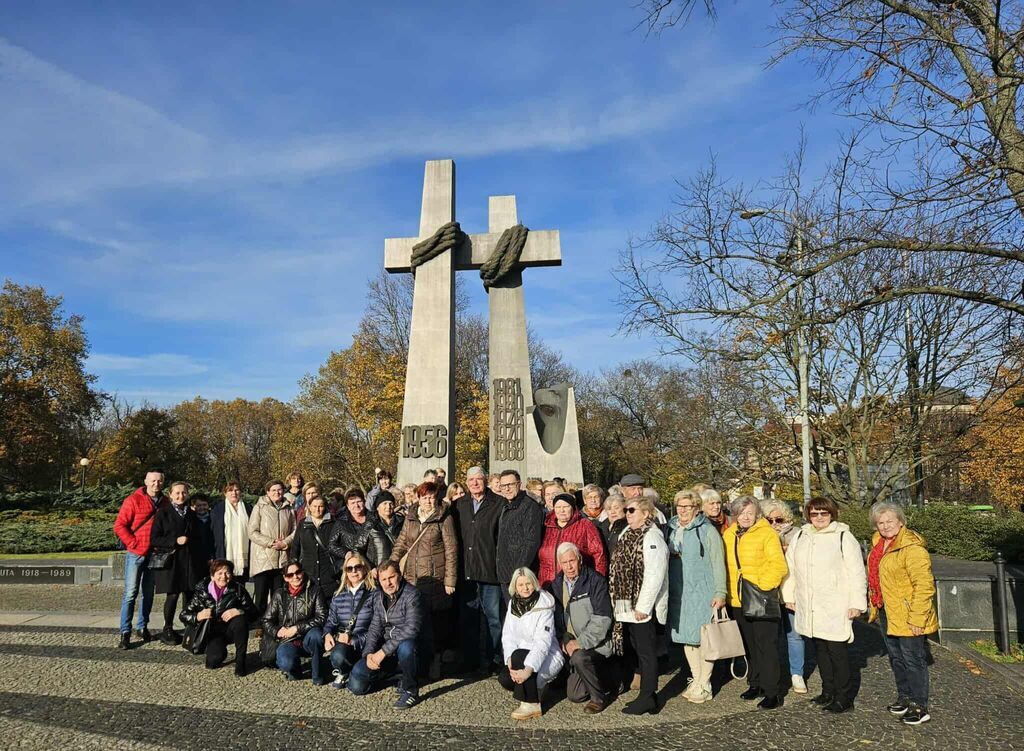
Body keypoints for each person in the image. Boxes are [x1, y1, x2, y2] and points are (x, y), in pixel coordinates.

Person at [781, 496, 866, 714]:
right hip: (809, 603)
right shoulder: (801, 535)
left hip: (835, 603)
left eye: (824, 513)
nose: (819, 517)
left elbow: (857, 572)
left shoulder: (843, 537)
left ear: (832, 514)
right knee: (820, 650)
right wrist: (789, 596)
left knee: (837, 651)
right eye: (814, 513)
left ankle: (843, 696)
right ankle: (827, 690)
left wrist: (857, 603)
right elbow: (790, 568)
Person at [867, 501, 937, 726]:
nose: (885, 526)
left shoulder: (912, 548)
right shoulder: (879, 545)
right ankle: (905, 696)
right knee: (897, 657)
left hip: (908, 612)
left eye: (890, 521)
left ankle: (919, 705)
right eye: (881, 522)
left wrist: (918, 618)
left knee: (913, 659)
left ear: (900, 521)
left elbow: (924, 585)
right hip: (887, 609)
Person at [722, 495, 789, 710]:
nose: (745, 517)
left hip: (760, 597)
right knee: (749, 646)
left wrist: (761, 585)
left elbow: (778, 566)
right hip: (738, 599)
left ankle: (773, 691)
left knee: (766, 646)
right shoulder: (729, 534)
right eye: (741, 513)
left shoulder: (767, 533)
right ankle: (756, 682)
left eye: (750, 513)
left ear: (757, 514)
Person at [389, 481, 458, 679]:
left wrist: (450, 580)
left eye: (431, 497)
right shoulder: (411, 516)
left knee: (435, 622)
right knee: (415, 619)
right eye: (425, 497)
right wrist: (392, 564)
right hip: (412, 576)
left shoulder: (443, 517)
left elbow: (452, 550)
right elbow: (402, 542)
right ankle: (417, 663)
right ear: (418, 498)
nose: (429, 500)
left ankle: (435, 660)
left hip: (435, 577)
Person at [666, 489, 727, 704]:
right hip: (680, 593)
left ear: (696, 508)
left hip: (703, 591)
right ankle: (696, 678)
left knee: (704, 638)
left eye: (687, 507)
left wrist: (720, 592)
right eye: (679, 506)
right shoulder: (670, 529)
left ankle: (705, 682)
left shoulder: (708, 531)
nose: (683, 510)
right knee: (687, 638)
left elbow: (718, 562)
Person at [609, 495, 668, 715]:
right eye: (626, 510)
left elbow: (655, 575)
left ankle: (648, 696)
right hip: (626, 605)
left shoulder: (652, 536)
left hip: (642, 607)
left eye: (632, 510)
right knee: (637, 649)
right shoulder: (628, 532)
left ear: (646, 513)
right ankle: (645, 694)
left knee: (647, 652)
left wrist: (643, 607)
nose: (627, 514)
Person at [349, 560, 428, 709]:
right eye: (383, 579)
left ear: (399, 575)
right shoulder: (379, 596)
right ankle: (397, 676)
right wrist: (369, 654)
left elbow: (411, 629)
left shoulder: (413, 595)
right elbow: (374, 628)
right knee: (356, 686)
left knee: (407, 645)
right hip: (387, 651)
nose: (388, 583)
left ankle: (411, 690)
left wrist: (382, 652)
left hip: (410, 651)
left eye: (391, 577)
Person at [547, 543, 614, 713]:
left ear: (580, 560)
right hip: (571, 641)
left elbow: (603, 619)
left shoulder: (595, 581)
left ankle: (598, 698)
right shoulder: (556, 585)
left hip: (596, 645)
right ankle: (604, 680)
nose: (569, 566)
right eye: (564, 562)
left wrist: (580, 642)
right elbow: (556, 619)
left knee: (579, 658)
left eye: (572, 561)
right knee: (575, 695)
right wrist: (563, 638)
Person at [453, 466, 504, 675]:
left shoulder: (498, 504)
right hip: (466, 570)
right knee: (468, 618)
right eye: (471, 479)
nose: (474, 483)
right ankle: (471, 659)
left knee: (493, 618)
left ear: (486, 480)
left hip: (489, 570)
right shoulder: (458, 505)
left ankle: (494, 659)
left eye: (478, 479)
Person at [113, 469, 170, 649]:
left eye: (159, 481)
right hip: (136, 553)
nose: (156, 484)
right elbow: (120, 525)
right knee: (130, 593)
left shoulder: (165, 502)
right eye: (153, 481)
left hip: (154, 555)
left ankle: (142, 626)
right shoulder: (133, 500)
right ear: (146, 481)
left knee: (148, 594)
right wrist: (133, 542)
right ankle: (125, 631)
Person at [499, 567, 565, 720]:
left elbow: (543, 642)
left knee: (520, 657)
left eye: (528, 583)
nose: (525, 588)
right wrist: (509, 660)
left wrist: (528, 669)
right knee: (505, 678)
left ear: (534, 583)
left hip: (546, 655)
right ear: (515, 586)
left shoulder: (544, 605)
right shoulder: (513, 604)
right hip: (520, 656)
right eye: (520, 585)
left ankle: (531, 703)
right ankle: (535, 688)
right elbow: (508, 635)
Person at [151, 481, 208, 645]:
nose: (180, 495)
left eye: (183, 493)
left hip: (190, 561)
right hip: (173, 561)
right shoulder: (163, 513)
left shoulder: (191, 514)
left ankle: (189, 625)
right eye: (177, 493)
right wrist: (175, 540)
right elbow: (154, 539)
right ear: (170, 495)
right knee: (173, 595)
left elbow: (198, 537)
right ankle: (167, 628)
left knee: (190, 595)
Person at [181, 559, 259, 676]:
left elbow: (254, 613)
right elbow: (183, 615)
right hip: (213, 633)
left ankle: (240, 661)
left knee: (240, 621)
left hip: (232, 629)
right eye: (219, 573)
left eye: (227, 573)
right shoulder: (202, 592)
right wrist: (198, 616)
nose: (224, 576)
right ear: (212, 576)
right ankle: (219, 650)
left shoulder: (238, 589)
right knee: (213, 662)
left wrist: (239, 611)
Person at [762, 498, 808, 694]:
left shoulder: (797, 534)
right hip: (768, 591)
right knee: (770, 637)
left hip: (791, 590)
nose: (774, 524)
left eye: (778, 520)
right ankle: (773, 673)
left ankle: (797, 674)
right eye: (769, 520)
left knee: (795, 635)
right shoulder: (760, 535)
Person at [263, 559, 328, 684]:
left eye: (298, 572)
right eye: (290, 575)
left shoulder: (315, 590)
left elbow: (322, 616)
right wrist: (277, 631)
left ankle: (317, 674)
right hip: (288, 639)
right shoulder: (279, 594)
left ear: (302, 572)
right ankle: (294, 669)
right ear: (285, 578)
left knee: (316, 636)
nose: (295, 577)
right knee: (286, 663)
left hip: (308, 635)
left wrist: (297, 628)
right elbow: (266, 620)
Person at [495, 469, 546, 615]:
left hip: (519, 576)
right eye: (503, 486)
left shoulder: (529, 507)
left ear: (519, 484)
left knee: (524, 617)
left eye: (511, 484)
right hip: (505, 574)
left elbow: (531, 542)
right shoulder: (505, 506)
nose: (507, 488)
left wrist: (519, 574)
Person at [324, 551, 376, 689]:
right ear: (345, 572)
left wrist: (354, 641)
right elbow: (331, 621)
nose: (354, 571)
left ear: (364, 568)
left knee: (357, 688)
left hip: (368, 646)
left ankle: (370, 673)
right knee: (337, 656)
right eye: (349, 568)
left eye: (357, 567)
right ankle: (345, 671)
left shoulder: (374, 594)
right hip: (346, 647)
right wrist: (328, 634)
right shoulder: (338, 595)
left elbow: (379, 628)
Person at [247, 480, 297, 614]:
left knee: (279, 595)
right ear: (267, 492)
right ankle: (260, 624)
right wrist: (271, 542)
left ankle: (277, 623)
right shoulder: (260, 507)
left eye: (279, 489)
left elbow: (295, 530)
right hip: (262, 559)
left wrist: (285, 542)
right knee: (261, 596)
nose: (277, 492)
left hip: (282, 559)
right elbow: (252, 532)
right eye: (273, 490)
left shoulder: (289, 508)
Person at [538, 493, 608, 588]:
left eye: (566, 506)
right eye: (558, 507)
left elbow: (599, 555)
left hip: (577, 584)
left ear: (573, 508)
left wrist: (599, 582)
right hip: (547, 583)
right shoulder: (546, 527)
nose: (562, 510)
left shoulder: (585, 525)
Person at [289, 495, 338, 602]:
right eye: (314, 506)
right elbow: (295, 547)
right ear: (309, 507)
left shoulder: (333, 523)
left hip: (328, 574)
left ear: (325, 507)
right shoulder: (303, 524)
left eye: (320, 506)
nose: (317, 509)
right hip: (308, 572)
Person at [328, 488, 391, 570]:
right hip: (354, 567)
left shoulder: (376, 518)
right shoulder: (341, 522)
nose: (356, 505)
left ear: (364, 502)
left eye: (359, 501)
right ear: (347, 506)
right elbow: (332, 545)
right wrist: (345, 553)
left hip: (376, 566)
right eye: (352, 503)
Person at [211, 482, 252, 582]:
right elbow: (212, 532)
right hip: (225, 552)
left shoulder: (248, 508)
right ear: (225, 493)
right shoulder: (218, 510)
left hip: (244, 554)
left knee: (241, 584)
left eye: (236, 490)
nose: (234, 493)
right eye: (230, 490)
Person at [191, 493, 217, 563]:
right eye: (199, 505)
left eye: (204, 505)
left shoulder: (214, 519)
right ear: (193, 507)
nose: (202, 507)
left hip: (212, 557)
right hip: (195, 557)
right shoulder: (190, 521)